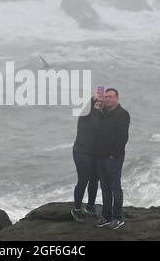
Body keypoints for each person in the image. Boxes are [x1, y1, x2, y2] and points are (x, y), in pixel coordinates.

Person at [94, 88, 130, 230]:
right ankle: (106, 217)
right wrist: (97, 108)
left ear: (117, 98)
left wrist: (113, 155)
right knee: (105, 188)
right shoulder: (103, 114)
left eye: (110, 97)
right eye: (106, 97)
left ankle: (118, 218)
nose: (107, 99)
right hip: (100, 157)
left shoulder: (123, 114)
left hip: (113, 158)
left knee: (116, 188)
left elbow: (123, 137)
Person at [70, 95, 102, 223]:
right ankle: (76, 209)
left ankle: (90, 207)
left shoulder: (102, 115)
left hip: (95, 153)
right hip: (82, 152)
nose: (99, 104)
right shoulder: (85, 114)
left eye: (101, 103)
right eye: (97, 102)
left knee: (94, 180)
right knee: (83, 180)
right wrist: (92, 98)